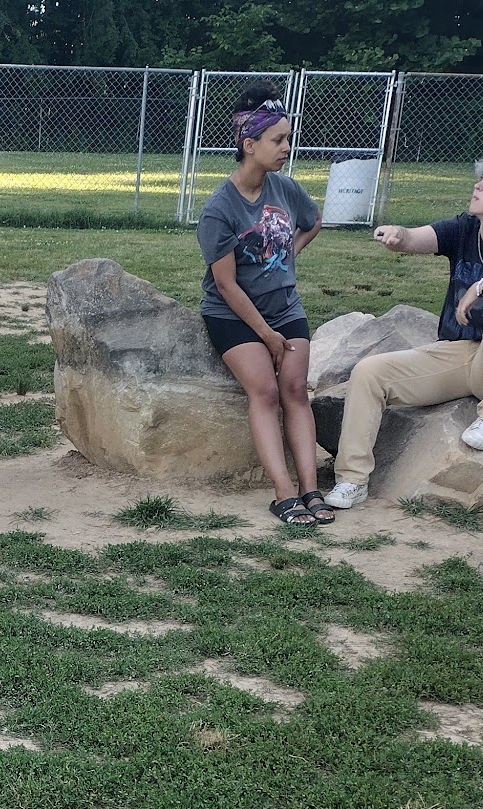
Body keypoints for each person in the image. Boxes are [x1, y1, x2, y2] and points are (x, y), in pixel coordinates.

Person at [325, 148, 483, 511]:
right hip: (461, 355)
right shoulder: (465, 228)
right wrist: (397, 235)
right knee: (370, 373)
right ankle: (352, 480)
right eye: (481, 177)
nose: (478, 185)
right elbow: (417, 239)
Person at [196, 87, 327, 526]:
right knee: (266, 391)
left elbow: (313, 222)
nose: (287, 148)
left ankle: (311, 489)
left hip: (285, 307)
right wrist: (267, 336)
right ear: (249, 145)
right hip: (232, 314)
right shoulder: (220, 208)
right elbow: (226, 284)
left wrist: (284, 262)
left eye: (288, 138)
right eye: (278, 140)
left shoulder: (286, 189)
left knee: (294, 390)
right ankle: (283, 492)